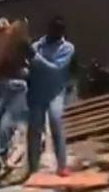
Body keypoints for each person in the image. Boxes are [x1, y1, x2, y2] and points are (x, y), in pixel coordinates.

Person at [27, 16, 75, 176]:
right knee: (34, 129)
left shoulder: (67, 48)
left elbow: (55, 68)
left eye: (59, 32)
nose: (56, 34)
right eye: (54, 31)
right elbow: (29, 69)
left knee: (56, 122)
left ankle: (62, 166)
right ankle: (33, 168)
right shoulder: (37, 46)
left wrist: (35, 57)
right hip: (36, 92)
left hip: (55, 92)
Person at [0, 70, 28, 162]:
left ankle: (7, 156)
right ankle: (3, 155)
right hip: (10, 106)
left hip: (19, 108)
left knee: (10, 127)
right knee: (4, 127)